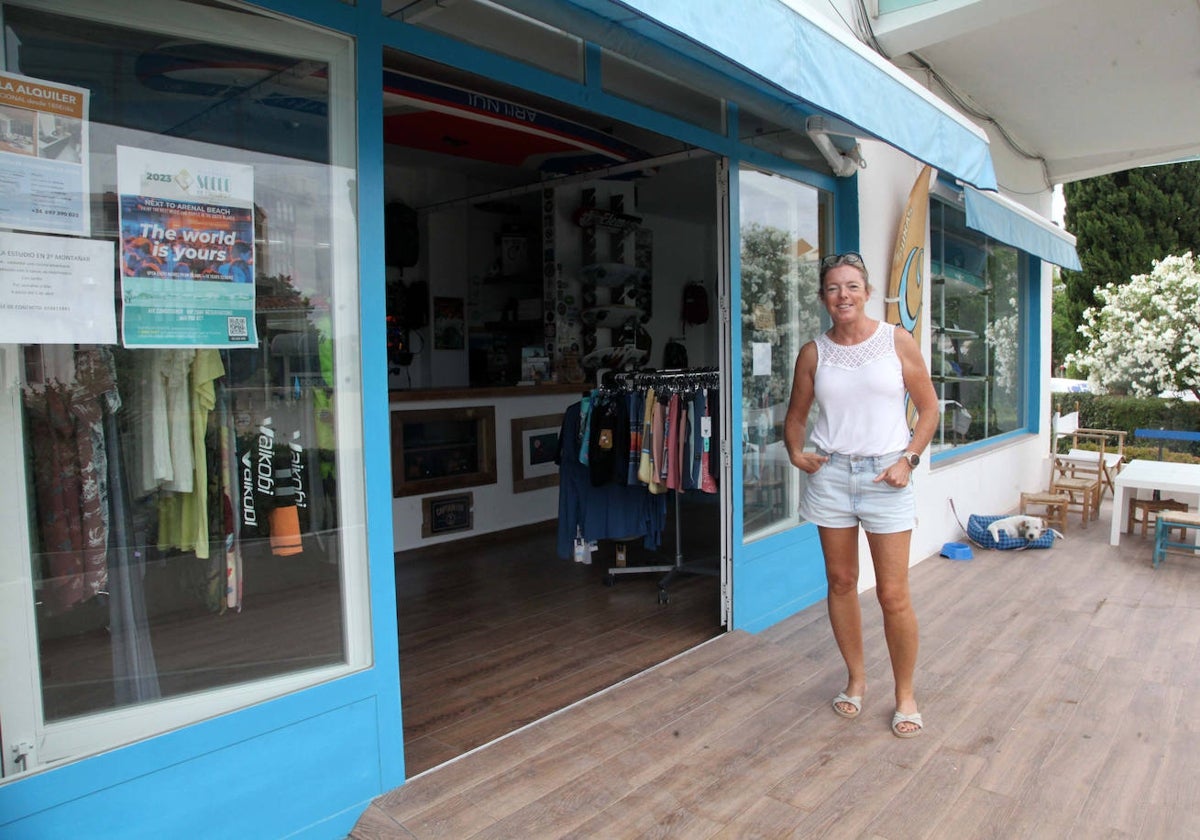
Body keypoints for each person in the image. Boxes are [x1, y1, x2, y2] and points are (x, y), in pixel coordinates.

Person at [784, 251, 938, 738]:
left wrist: (908, 459)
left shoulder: (897, 340)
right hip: (831, 476)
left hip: (885, 477)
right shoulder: (814, 353)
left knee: (893, 594)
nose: (843, 295)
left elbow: (929, 409)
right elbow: (795, 415)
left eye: (851, 286)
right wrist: (794, 451)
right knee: (841, 582)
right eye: (833, 288)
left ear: (867, 292)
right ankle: (855, 680)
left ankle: (905, 693)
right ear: (823, 297)